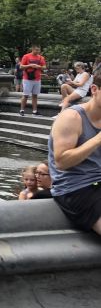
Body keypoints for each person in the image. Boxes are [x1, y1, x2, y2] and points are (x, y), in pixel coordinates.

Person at [48, 72, 101, 235]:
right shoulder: (71, 117)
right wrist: (98, 139)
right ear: (94, 89)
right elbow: (62, 162)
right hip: (76, 187)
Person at [19, 45, 46, 116]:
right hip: (27, 79)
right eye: (36, 50)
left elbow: (44, 67)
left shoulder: (41, 57)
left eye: (38, 50)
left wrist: (38, 67)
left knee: (35, 95)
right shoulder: (26, 56)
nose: (37, 51)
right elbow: (21, 66)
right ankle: (22, 110)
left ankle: (34, 111)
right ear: (32, 49)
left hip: (37, 79)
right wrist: (30, 65)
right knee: (25, 95)